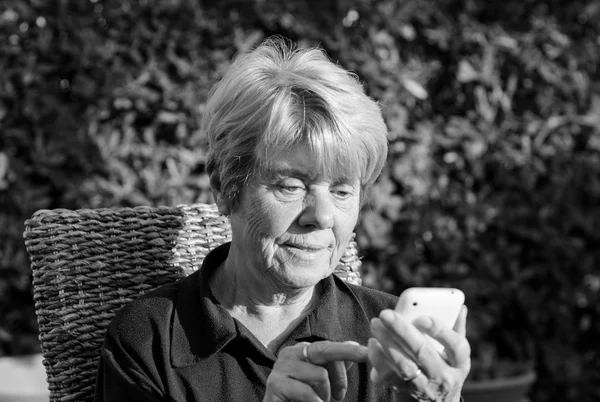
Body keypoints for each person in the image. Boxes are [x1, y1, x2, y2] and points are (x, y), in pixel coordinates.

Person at [94, 36, 471, 402]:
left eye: (341, 191)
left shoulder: (392, 336)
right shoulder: (149, 340)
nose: (322, 217)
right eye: (291, 186)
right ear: (224, 187)